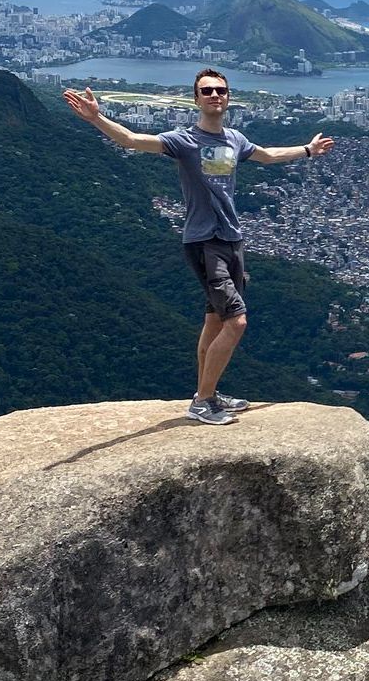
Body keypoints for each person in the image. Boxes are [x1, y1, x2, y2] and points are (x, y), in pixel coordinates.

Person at [64, 70, 334, 424]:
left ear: (228, 97)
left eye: (220, 90)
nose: (214, 95)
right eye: (206, 91)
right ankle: (203, 402)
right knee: (236, 322)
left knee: (213, 321)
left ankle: (208, 392)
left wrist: (308, 151)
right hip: (204, 241)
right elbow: (132, 140)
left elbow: (267, 155)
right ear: (196, 99)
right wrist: (97, 117)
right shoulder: (184, 140)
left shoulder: (235, 138)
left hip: (231, 239)